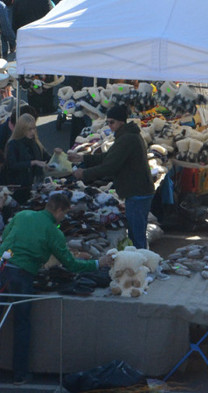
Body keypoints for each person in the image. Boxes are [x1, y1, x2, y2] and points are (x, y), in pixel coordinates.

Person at [1, 190, 109, 385]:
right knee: (21, 323)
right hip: (21, 276)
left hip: (2, 267)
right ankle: (19, 375)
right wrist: (97, 264)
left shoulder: (22, 215)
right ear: (59, 210)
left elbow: (6, 238)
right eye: (65, 214)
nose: (65, 218)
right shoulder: (54, 232)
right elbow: (71, 264)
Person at [72, 103, 155, 249]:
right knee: (137, 234)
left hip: (137, 192)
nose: (109, 125)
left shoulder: (127, 139)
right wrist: (83, 158)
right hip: (138, 191)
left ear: (121, 122)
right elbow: (110, 157)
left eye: (112, 122)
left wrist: (84, 173)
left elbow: (110, 166)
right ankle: (141, 262)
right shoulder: (127, 135)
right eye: (108, 122)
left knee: (137, 236)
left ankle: (143, 265)